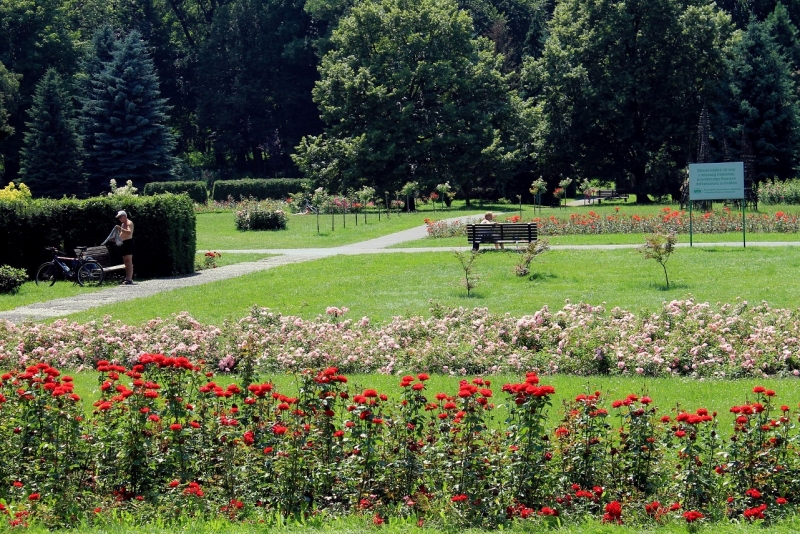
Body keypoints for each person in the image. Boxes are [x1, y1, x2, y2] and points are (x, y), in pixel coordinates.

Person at [115, 210, 135, 285]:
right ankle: (127, 278)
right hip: (123, 243)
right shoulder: (123, 224)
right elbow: (121, 234)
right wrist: (116, 239)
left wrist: (120, 229)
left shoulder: (129, 223)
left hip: (128, 243)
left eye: (120, 217)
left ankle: (129, 279)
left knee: (129, 261)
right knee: (125, 262)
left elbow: (129, 232)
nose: (119, 219)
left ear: (124, 216)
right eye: (118, 217)